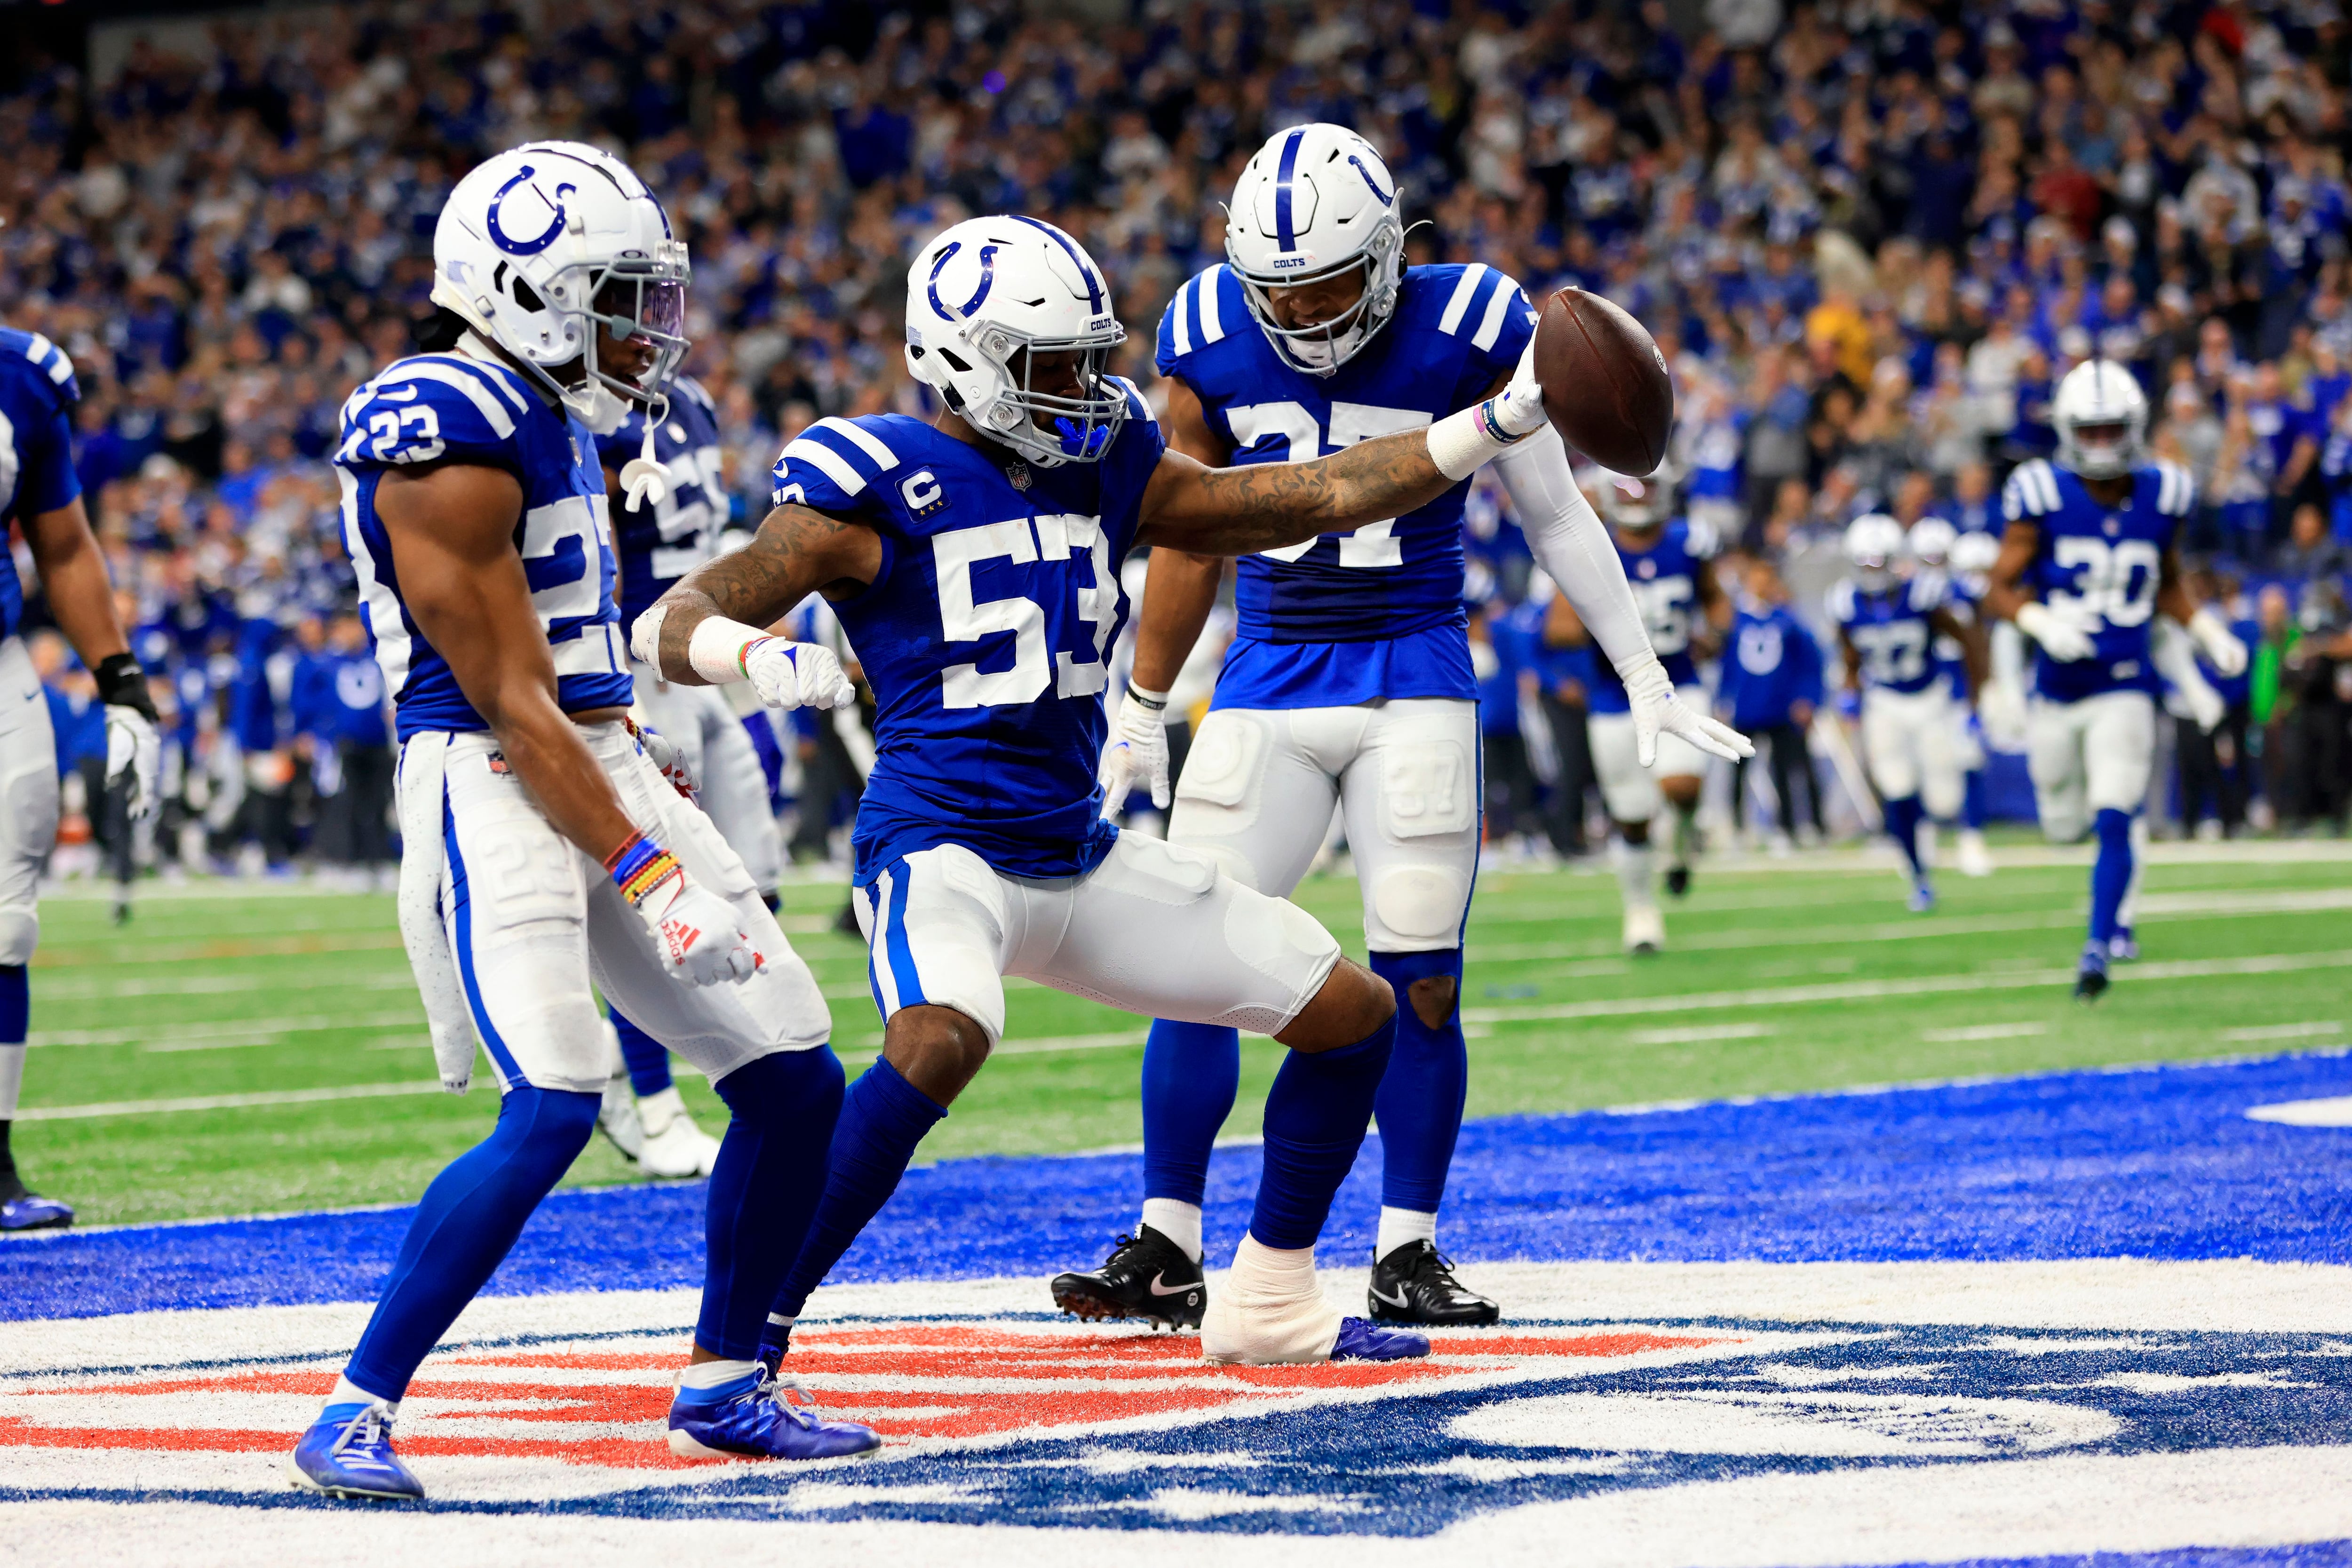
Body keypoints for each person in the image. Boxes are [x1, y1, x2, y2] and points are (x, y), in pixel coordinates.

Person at [638, 207, 1674, 1370]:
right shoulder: (873, 473)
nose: (1085, 388)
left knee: (1354, 1017)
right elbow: (678, 616)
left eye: (1094, 359)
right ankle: (738, 1352)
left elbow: (1314, 496)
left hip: (1075, 853)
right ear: (963, 365)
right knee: (939, 1041)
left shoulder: (1111, 461)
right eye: (1052, 367)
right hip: (943, 850)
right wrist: (752, 654)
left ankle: (1269, 1304)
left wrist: (1490, 426)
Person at [1041, 126, 1744, 1331]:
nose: (1304, 312)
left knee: (1419, 979)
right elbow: (1187, 529)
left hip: (1413, 670)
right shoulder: (1209, 325)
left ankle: (1405, 1246)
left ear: (1387, 253)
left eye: (1326, 282)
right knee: (1189, 964)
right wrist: (1145, 701)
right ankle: (1167, 1240)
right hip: (1263, 675)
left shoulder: (1473, 318)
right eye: (1282, 290)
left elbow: (1553, 509)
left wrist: (1641, 669)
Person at [286, 142, 876, 1504]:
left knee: (795, 1075)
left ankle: (729, 1383)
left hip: (590, 749)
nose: (646, 328)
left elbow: (587, 651)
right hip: (491, 774)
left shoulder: (551, 407)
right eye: (619, 297)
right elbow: (507, 695)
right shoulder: (439, 423)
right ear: (522, 291)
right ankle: (355, 1406)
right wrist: (647, 861)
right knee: (554, 1105)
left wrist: (727, 671)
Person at [1985, 359, 2247, 1001]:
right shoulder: (2040, 492)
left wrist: (2207, 631)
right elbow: (1998, 588)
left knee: (2115, 813)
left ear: (2133, 428)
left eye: (2112, 430)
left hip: (2126, 682)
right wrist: (2041, 622)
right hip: (2058, 691)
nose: (2102, 443)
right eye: (2090, 430)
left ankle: (2099, 943)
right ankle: (2106, 909)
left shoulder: (2165, 492)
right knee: (2065, 823)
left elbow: (2169, 584)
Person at [589, 371, 770, 1180]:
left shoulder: (691, 395)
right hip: (644, 660)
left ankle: (731, 1073)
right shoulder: (592, 407)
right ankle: (653, 1099)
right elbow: (595, 541)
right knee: (662, 890)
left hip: (698, 655)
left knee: (750, 876)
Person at [0, 325, 160, 1232]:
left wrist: (122, 684)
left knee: (6, 923)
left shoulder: (22, 376)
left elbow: (62, 545)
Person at [1551, 469, 1734, 954]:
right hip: (1614, 696)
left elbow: (1716, 599)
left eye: (1646, 487)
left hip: (1676, 682)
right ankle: (1640, 910)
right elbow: (1558, 626)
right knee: (1631, 816)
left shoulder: (1689, 541)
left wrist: (1713, 636)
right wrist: (1610, 629)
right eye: (1627, 488)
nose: (1637, 497)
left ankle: (1681, 843)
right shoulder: (1591, 546)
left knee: (1682, 785)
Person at [1829, 514, 1985, 913]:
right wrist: (1851, 692)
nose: (1872, 572)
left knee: (1945, 801)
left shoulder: (1923, 593)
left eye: (1878, 563)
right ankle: (1918, 875)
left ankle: (1936, 835)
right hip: (1884, 701)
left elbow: (1968, 641)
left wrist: (1975, 700)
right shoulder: (1845, 602)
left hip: (1930, 698)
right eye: (1865, 563)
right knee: (1896, 788)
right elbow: (1850, 656)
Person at [1718, 555, 1824, 850]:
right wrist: (1723, 699)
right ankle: (1738, 831)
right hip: (1746, 707)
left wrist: (1808, 699)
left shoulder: (1787, 620)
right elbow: (1727, 664)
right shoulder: (1735, 619)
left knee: (1785, 771)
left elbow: (1810, 663)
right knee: (1738, 772)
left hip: (1781, 707)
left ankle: (1787, 830)